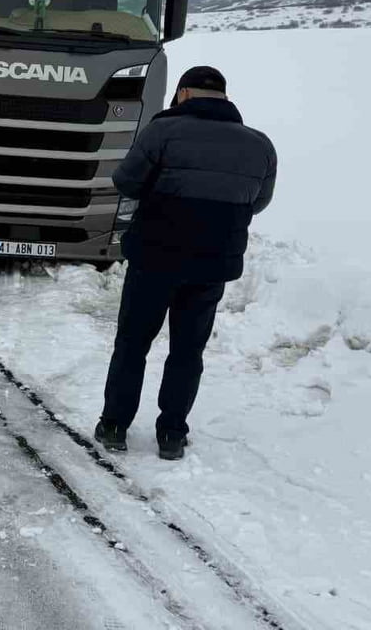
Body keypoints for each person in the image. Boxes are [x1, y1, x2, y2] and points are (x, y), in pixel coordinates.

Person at [95, 66, 277, 460]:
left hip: (154, 258)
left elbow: (126, 181)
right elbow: (258, 202)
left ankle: (114, 425)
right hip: (211, 266)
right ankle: (172, 434)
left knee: (132, 344)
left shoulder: (162, 132)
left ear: (182, 95)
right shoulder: (260, 145)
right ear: (225, 98)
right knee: (187, 351)